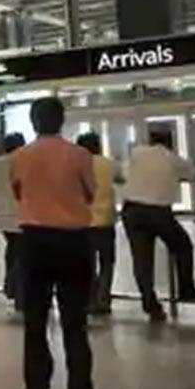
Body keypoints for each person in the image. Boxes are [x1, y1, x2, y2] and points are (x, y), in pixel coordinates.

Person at [10, 96, 103, 389]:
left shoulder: (21, 156)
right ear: (61, 120)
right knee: (75, 320)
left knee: (34, 319)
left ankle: (36, 388)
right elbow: (91, 193)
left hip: (34, 240)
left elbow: (18, 191)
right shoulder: (79, 154)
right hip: (73, 241)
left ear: (34, 121)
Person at [121, 129, 195, 321]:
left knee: (142, 259)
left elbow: (123, 172)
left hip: (131, 210)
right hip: (158, 211)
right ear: (169, 142)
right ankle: (186, 288)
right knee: (183, 245)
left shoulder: (136, 153)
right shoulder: (171, 158)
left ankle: (150, 302)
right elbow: (193, 174)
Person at [76, 132, 118, 317]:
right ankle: (103, 298)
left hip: (83, 222)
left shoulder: (76, 165)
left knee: (87, 264)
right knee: (107, 262)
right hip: (106, 220)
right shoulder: (108, 164)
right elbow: (122, 178)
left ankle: (89, 299)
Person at [0, 134, 26, 311]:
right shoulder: (24, 163)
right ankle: (15, 288)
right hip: (23, 215)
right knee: (22, 254)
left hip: (2, 215)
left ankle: (13, 289)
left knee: (14, 250)